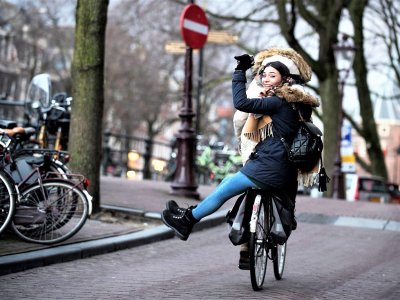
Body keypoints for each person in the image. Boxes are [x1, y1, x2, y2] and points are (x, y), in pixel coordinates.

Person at [161, 47, 320, 267]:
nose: (265, 79)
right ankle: (189, 215)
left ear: (284, 80)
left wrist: (239, 72)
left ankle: (187, 221)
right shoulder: (296, 104)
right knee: (227, 181)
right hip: (283, 169)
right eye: (263, 75)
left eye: (271, 76)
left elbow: (242, 104)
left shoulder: (276, 103)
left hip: (269, 167)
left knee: (224, 191)